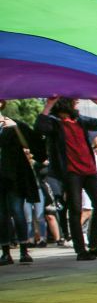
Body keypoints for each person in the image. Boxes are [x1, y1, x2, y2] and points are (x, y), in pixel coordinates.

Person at [35, 97, 97, 261]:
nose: (76, 102)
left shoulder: (79, 120)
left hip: (90, 170)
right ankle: (81, 250)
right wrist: (49, 104)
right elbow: (39, 127)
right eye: (73, 100)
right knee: (76, 210)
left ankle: (94, 245)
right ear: (64, 103)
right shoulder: (54, 122)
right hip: (71, 172)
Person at [0, 104, 47, 264]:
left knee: (17, 211)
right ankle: (5, 252)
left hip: (14, 177)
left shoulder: (14, 124)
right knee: (1, 216)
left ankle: (24, 250)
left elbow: (32, 145)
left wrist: (15, 128)